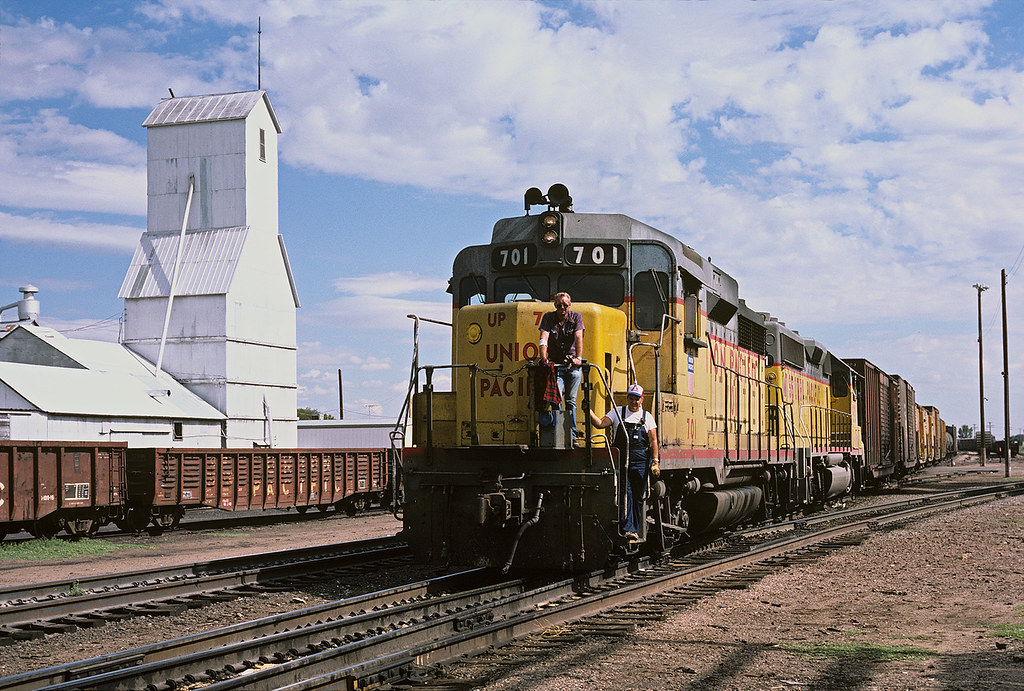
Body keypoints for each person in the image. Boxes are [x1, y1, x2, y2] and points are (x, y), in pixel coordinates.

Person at [589, 384, 660, 541]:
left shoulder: (647, 417)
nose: (634, 402)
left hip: (641, 460)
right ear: (627, 398)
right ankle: (628, 529)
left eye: (637, 399)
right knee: (625, 493)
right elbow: (600, 424)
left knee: (638, 495)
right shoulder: (617, 412)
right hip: (622, 460)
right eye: (631, 398)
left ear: (641, 400)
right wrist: (588, 411)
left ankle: (632, 527)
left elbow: (653, 440)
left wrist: (655, 461)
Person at [538, 291, 584, 436]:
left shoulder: (576, 317)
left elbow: (578, 337)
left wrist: (579, 358)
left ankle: (572, 434)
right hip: (556, 367)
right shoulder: (548, 318)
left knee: (571, 400)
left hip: (572, 366)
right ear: (555, 305)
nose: (562, 308)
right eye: (559, 305)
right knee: (556, 398)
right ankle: (557, 433)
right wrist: (543, 358)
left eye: (565, 305)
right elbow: (543, 337)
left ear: (569, 305)